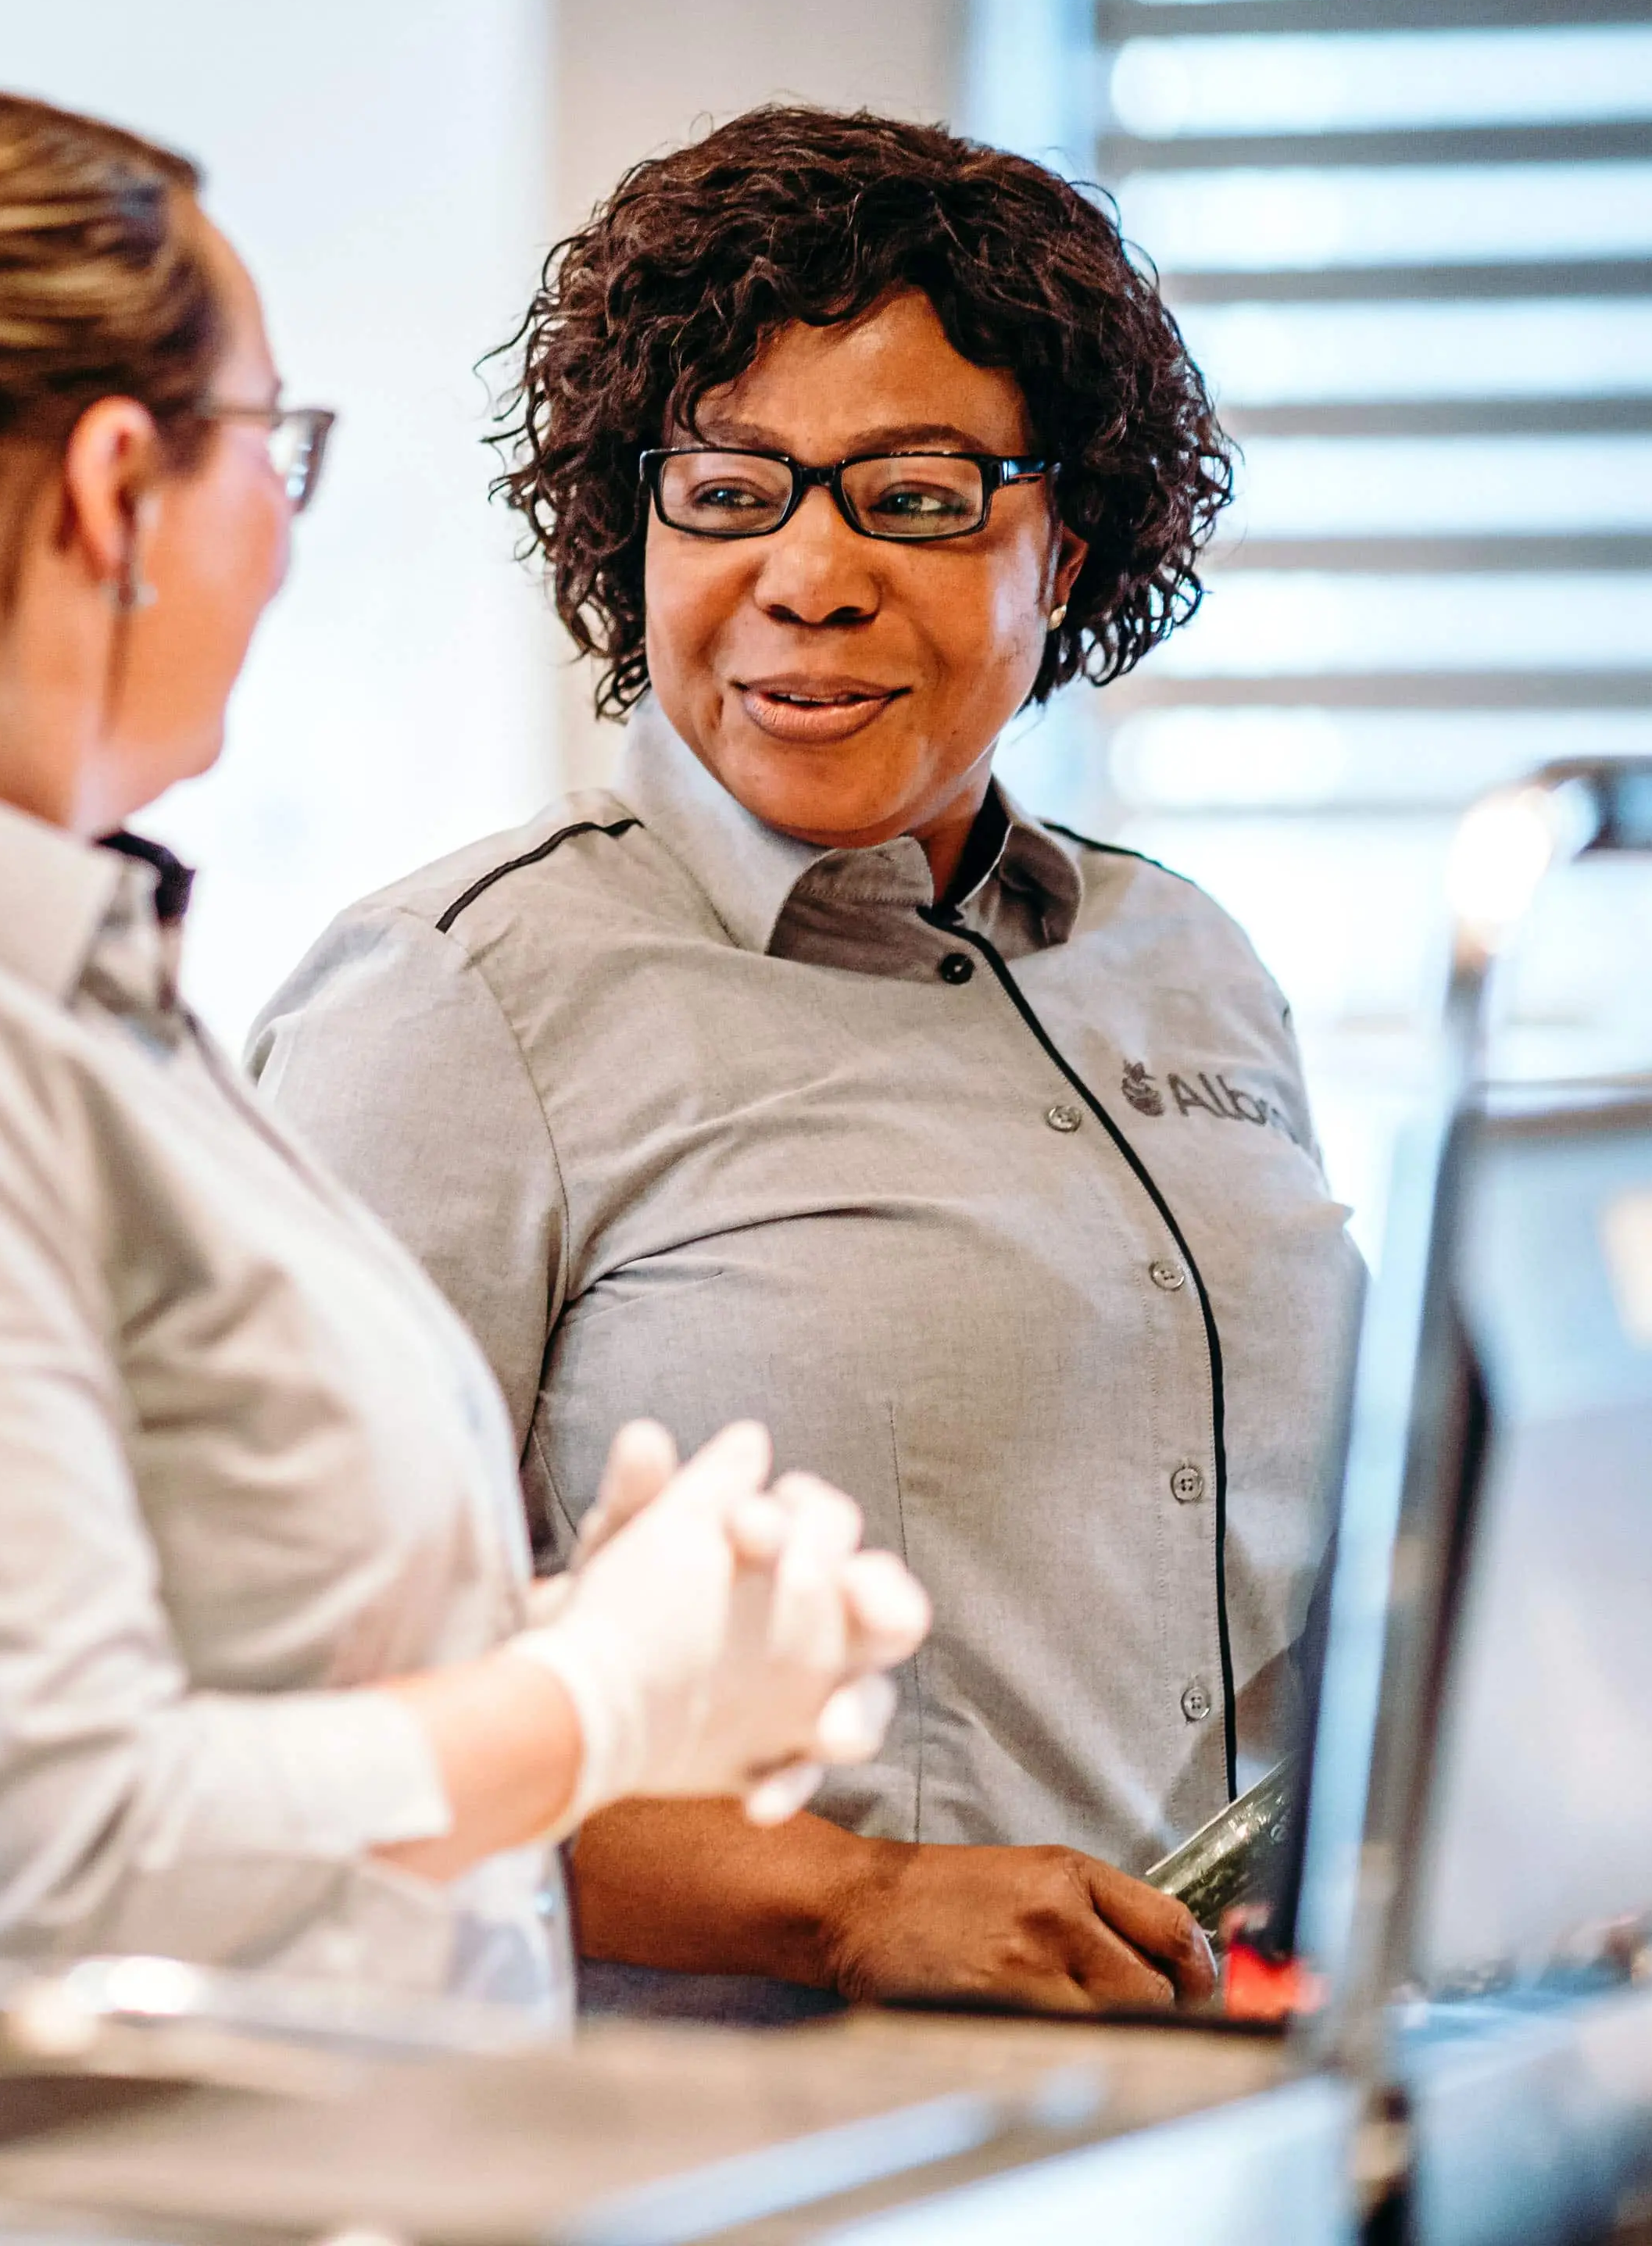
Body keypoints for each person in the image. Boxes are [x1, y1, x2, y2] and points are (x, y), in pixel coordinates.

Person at [0, 69, 932, 2058]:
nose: (283, 545)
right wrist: (601, 1709)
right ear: (110, 490)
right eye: (266, 453)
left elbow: (196, 1677)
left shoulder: (0, 970)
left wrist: (580, 1638)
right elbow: (56, 1870)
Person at [249, 106, 1361, 2022]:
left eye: (915, 497)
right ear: (634, 523)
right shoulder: (458, 1001)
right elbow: (278, 1722)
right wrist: (852, 1894)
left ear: (1063, 544)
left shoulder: (1187, 968)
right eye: (731, 487)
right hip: (767, 2146)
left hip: (1222, 2107)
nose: (810, 573)